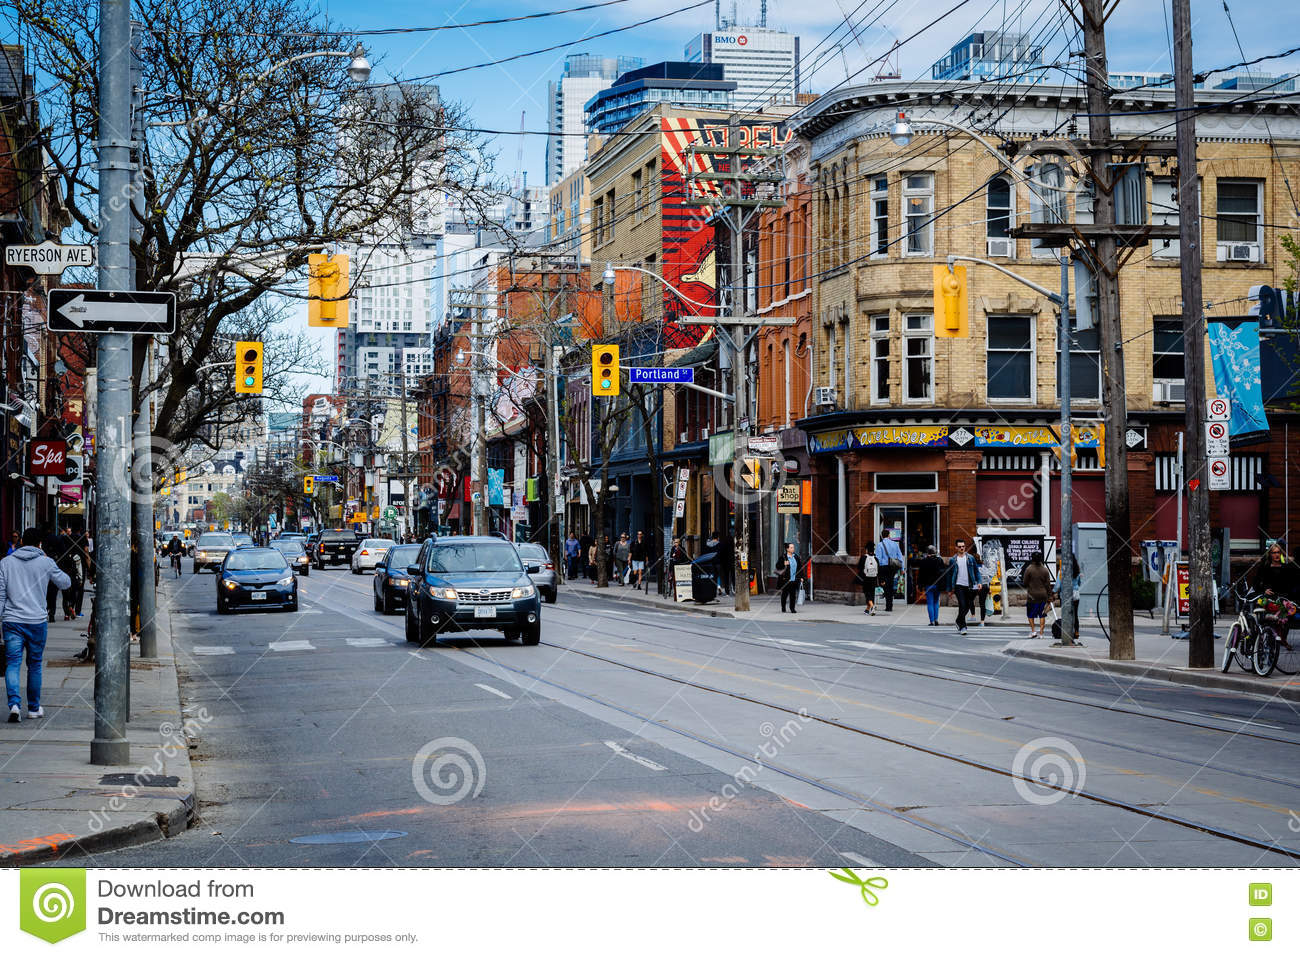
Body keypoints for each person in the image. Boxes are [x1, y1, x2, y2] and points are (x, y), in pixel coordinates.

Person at [2, 528, 72, 722]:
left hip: (12, 621)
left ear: (21, 541)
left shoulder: (5, 563)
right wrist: (48, 562)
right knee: (34, 665)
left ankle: (14, 705)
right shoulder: (46, 562)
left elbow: (0, 595)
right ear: (40, 544)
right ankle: (33, 708)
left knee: (13, 663)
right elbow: (65, 583)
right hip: (36, 622)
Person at [944, 538, 982, 635]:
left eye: (963, 546)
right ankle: (963, 626)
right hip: (958, 586)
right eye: (960, 547)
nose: (962, 548)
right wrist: (949, 589)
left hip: (969, 585)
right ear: (956, 547)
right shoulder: (953, 560)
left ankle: (958, 620)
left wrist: (979, 582)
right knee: (962, 605)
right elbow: (949, 575)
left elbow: (976, 571)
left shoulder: (970, 558)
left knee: (968, 605)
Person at [1022, 550, 1054, 639]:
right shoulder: (1045, 570)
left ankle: (1033, 631)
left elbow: (1024, 582)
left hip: (1032, 596)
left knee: (1030, 614)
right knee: (1042, 614)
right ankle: (1041, 633)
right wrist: (1050, 595)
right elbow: (1048, 585)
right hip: (1043, 595)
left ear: (1032, 559)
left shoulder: (1029, 569)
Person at [1054, 552, 1083, 644]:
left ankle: (1067, 632)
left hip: (1065, 594)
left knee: (1066, 614)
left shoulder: (1062, 570)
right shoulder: (1077, 570)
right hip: (1075, 593)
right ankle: (1077, 632)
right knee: (1075, 614)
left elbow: (1058, 584)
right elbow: (1079, 583)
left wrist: (1054, 591)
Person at [874, 529, 904, 612]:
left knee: (885, 585)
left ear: (882, 536)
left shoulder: (880, 545)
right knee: (890, 585)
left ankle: (888, 605)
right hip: (893, 567)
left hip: (883, 567)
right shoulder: (895, 544)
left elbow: (878, 559)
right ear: (889, 535)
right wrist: (902, 568)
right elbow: (900, 557)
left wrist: (877, 569)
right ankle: (890, 605)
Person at [918, 546, 948, 626]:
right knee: (936, 602)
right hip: (937, 584)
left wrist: (920, 585)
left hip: (928, 585)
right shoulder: (939, 560)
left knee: (930, 603)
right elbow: (943, 573)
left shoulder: (924, 561)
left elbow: (921, 575)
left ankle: (931, 621)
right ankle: (936, 619)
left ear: (928, 553)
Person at [775, 542, 803, 613]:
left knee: (793, 595)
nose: (793, 549)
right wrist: (783, 564)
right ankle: (783, 607)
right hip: (786, 579)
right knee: (784, 594)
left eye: (793, 547)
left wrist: (802, 577)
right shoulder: (783, 557)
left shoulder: (796, 557)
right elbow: (777, 566)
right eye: (791, 547)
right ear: (787, 549)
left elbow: (800, 568)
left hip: (794, 579)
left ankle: (792, 608)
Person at [976, 542, 999, 626]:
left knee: (969, 601)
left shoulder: (974, 567)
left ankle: (972, 615)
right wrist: (989, 588)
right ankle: (982, 622)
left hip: (977, 586)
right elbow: (988, 578)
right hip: (985, 586)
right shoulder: (984, 567)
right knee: (982, 605)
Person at [856, 540, 878, 615]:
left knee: (867, 593)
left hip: (866, 578)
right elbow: (879, 570)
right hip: (874, 578)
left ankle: (872, 606)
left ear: (867, 549)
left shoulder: (864, 557)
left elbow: (859, 567)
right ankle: (867, 610)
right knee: (872, 593)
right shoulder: (876, 558)